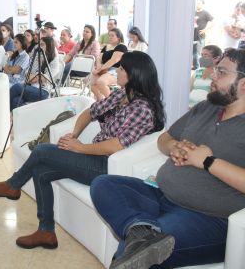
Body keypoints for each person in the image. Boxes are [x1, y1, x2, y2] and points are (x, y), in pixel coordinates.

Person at [0, 51, 165, 249]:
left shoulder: (142, 108)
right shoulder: (123, 94)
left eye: (121, 69)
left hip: (105, 166)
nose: (117, 71)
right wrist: (75, 135)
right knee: (40, 170)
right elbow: (89, 112)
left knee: (42, 151)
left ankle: (13, 185)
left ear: (134, 74)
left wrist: (80, 149)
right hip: (92, 156)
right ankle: (46, 232)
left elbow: (116, 145)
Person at [90, 48, 245, 269]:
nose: (212, 75)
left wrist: (208, 162)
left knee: (136, 252)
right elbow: (164, 138)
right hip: (161, 194)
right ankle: (140, 229)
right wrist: (176, 147)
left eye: (221, 71)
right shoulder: (206, 107)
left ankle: (143, 235)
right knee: (103, 184)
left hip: (207, 218)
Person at [8, 36, 59, 111]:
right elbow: (27, 73)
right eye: (39, 44)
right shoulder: (37, 57)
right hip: (30, 87)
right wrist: (36, 77)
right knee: (16, 100)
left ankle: (5, 114)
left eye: (42, 44)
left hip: (43, 91)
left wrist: (35, 77)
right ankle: (13, 119)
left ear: (49, 46)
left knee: (17, 87)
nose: (39, 47)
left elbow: (46, 78)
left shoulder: (54, 61)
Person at [90, 28, 128, 100]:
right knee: (91, 83)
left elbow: (114, 60)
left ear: (118, 37)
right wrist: (98, 67)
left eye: (112, 36)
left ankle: (113, 103)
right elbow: (99, 58)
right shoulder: (106, 46)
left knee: (101, 82)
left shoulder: (121, 47)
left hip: (116, 70)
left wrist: (100, 69)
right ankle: (100, 100)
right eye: (109, 35)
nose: (109, 37)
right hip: (103, 69)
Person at [193, 0, 214, 69]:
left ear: (202, 5)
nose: (197, 5)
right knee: (193, 53)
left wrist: (205, 30)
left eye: (199, 3)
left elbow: (212, 22)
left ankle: (200, 69)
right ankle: (195, 67)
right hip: (192, 36)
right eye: (197, 3)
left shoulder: (205, 13)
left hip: (200, 37)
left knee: (199, 53)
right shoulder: (193, 12)